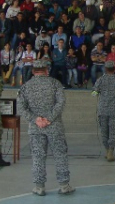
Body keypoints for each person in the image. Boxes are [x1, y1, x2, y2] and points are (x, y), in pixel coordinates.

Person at [17, 58, 74, 196]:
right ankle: (64, 185)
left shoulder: (25, 86)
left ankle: (39, 186)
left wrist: (35, 119)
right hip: (54, 126)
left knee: (38, 156)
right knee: (60, 154)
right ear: (46, 70)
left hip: (36, 127)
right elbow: (61, 102)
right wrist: (49, 118)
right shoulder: (55, 84)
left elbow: (21, 107)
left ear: (33, 71)